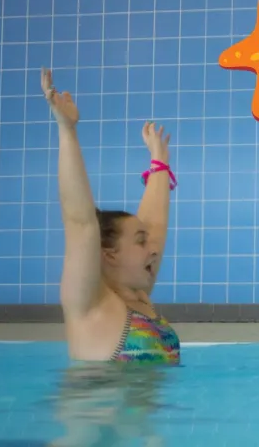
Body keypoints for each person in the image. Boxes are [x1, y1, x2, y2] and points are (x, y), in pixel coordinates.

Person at [41, 68, 179, 364]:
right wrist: (67, 131)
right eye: (140, 242)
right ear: (110, 254)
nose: (154, 247)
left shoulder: (138, 295)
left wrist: (159, 164)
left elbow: (153, 226)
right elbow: (80, 223)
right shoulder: (90, 305)